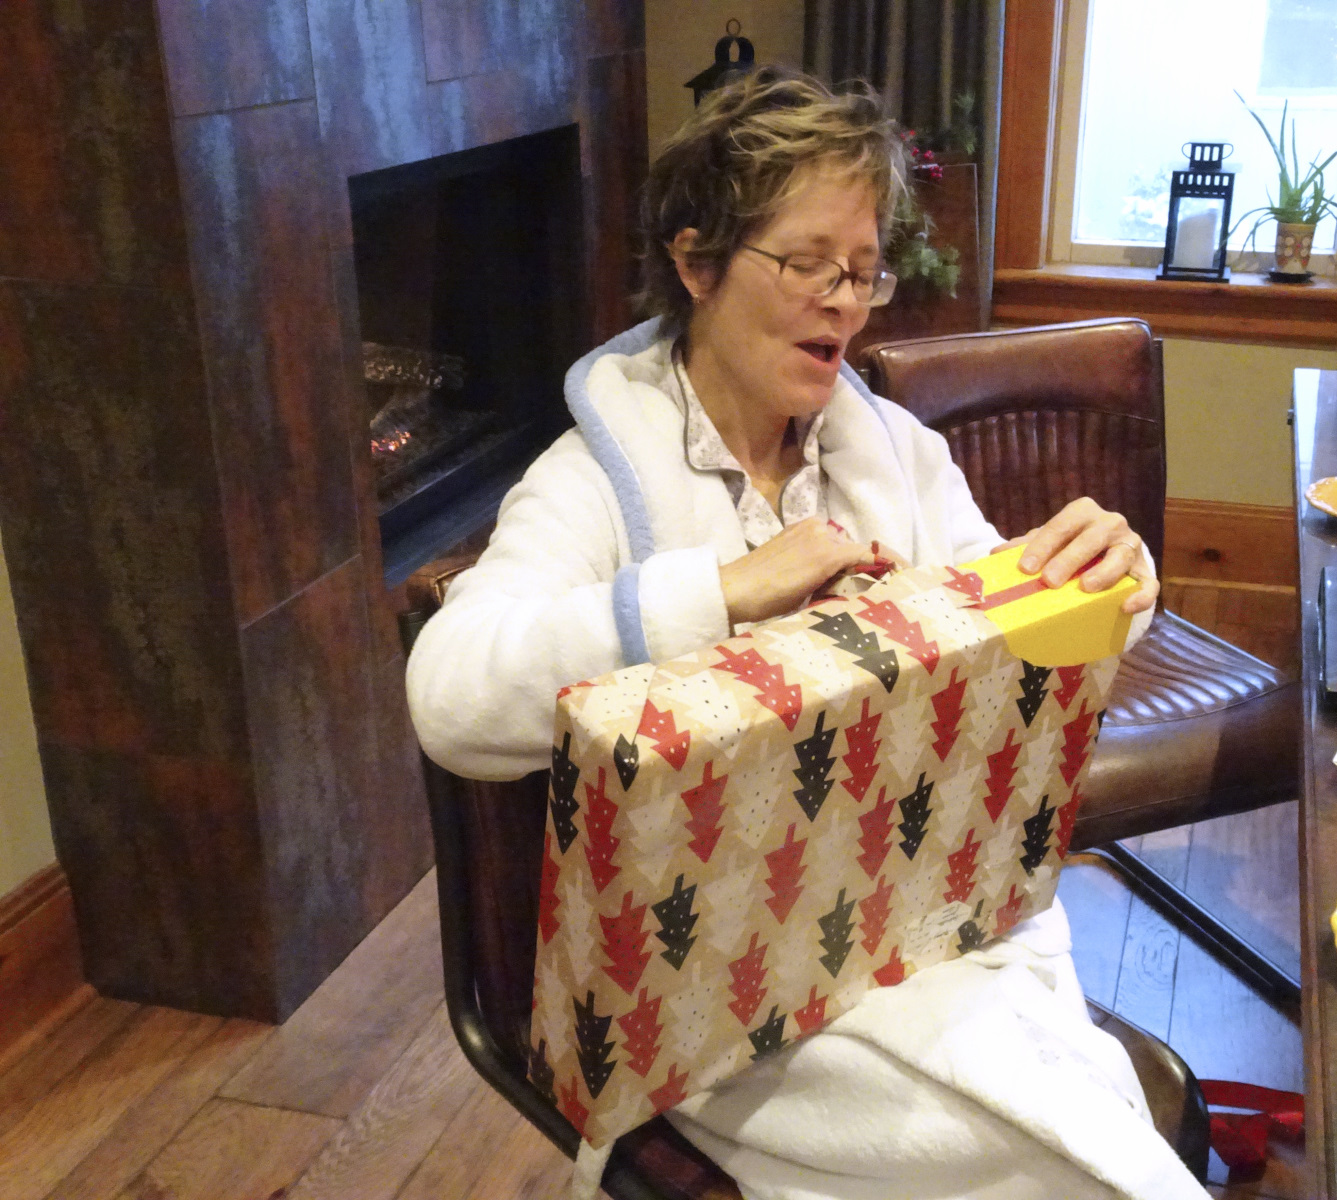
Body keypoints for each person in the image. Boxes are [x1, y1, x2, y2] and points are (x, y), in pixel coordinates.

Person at [407, 67, 1205, 1200]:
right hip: (725, 986)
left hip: (932, 921)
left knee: (1050, 1119)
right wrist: (722, 592)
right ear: (696, 263)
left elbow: (1012, 656)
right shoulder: (592, 482)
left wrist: (1108, 581)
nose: (844, 302)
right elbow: (447, 696)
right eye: (806, 264)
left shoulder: (896, 455)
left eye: (862, 271)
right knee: (1057, 1151)